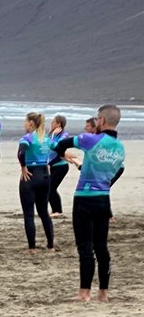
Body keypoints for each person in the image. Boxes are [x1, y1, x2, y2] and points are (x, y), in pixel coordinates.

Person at [55, 105, 126, 302]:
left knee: (85, 247)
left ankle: (84, 293)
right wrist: (105, 183)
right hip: (104, 199)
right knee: (101, 247)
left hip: (84, 198)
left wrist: (63, 156)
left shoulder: (90, 140)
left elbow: (61, 144)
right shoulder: (120, 148)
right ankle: (103, 292)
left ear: (101, 120)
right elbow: (120, 169)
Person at [17, 112, 56, 252]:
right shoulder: (46, 138)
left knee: (28, 214)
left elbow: (21, 153)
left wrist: (23, 166)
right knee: (44, 212)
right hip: (45, 176)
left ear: (31, 123)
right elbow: (58, 149)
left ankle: (32, 248)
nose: (24, 124)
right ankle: (50, 245)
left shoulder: (27, 138)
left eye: (25, 122)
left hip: (30, 176)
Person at [48, 114, 71, 216]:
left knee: (51, 188)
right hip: (51, 165)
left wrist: (53, 136)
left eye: (53, 122)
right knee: (48, 189)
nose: (51, 123)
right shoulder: (50, 134)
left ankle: (58, 211)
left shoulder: (64, 135)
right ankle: (55, 210)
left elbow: (58, 150)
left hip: (61, 165)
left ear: (59, 124)